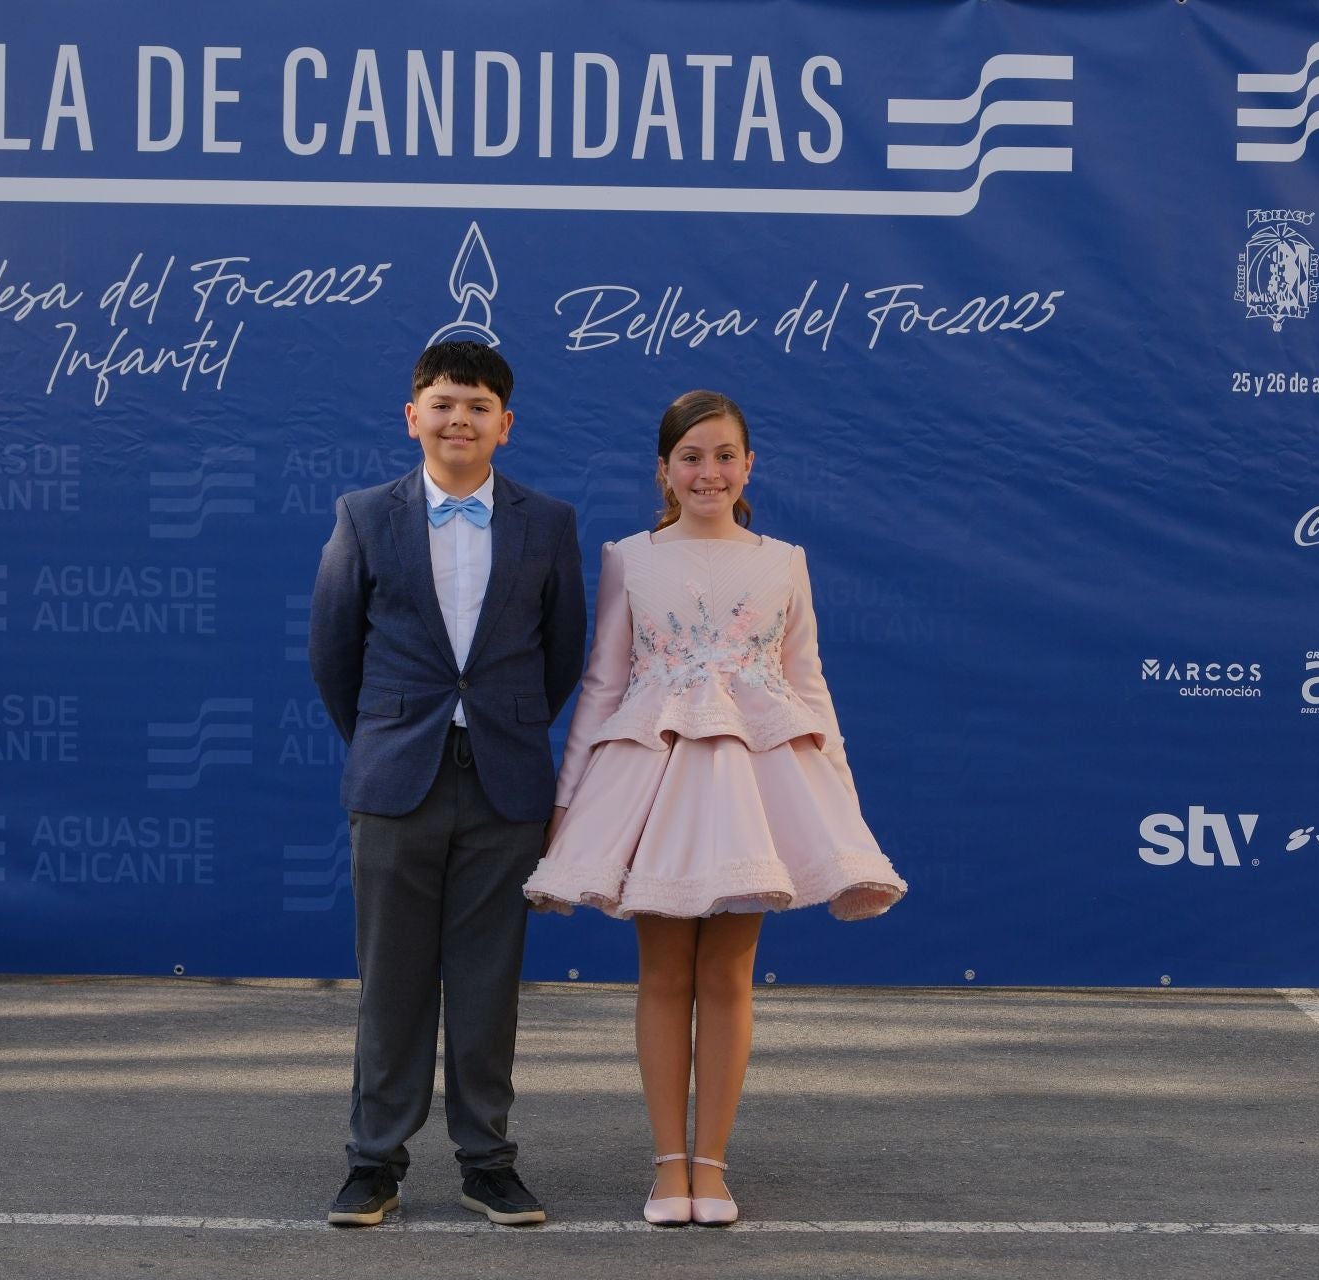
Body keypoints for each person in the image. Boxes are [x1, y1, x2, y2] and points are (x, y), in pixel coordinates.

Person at [523, 389, 906, 1227]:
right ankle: (667, 1168)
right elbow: (603, 681)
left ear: (748, 466)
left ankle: (712, 1168)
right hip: (657, 782)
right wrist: (569, 795)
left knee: (729, 975)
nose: (708, 471)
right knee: (662, 974)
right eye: (691, 457)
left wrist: (839, 791)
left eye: (724, 455)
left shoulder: (785, 559)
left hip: (757, 788)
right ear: (663, 470)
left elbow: (806, 680)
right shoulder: (630, 556)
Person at [309, 341, 587, 1227]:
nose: (458, 418)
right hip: (396, 780)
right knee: (390, 978)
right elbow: (333, 651)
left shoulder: (549, 523)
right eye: (442, 402)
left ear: (505, 426)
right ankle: (373, 1163)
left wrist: (499, 728)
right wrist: (390, 739)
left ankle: (487, 1161)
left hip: (505, 784)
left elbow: (563, 655)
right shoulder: (364, 515)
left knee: (487, 980)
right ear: (412, 417)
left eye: (476, 406)